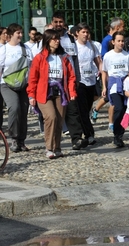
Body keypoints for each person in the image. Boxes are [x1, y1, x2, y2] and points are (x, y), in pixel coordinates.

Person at [27, 29, 77, 158]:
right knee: (51, 117)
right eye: (54, 39)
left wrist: (72, 91)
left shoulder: (64, 57)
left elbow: (71, 76)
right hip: (44, 92)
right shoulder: (40, 57)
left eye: (58, 39)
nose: (57, 41)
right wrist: (31, 95)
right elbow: (33, 78)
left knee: (59, 120)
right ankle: (49, 148)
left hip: (60, 91)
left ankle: (57, 147)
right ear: (48, 40)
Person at [52, 11, 88, 150]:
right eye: (56, 22)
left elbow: (75, 60)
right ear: (52, 22)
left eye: (61, 22)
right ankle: (53, 142)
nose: (58, 24)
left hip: (70, 80)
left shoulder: (71, 39)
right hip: (54, 80)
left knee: (73, 109)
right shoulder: (48, 37)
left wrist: (77, 78)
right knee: (56, 112)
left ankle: (76, 139)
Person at [0, 23, 33, 152]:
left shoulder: (25, 49)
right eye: (18, 33)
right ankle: (13, 137)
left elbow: (31, 66)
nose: (20, 35)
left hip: (23, 84)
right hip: (6, 84)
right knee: (14, 107)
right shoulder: (4, 49)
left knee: (23, 111)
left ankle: (21, 140)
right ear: (11, 34)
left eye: (21, 32)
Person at [102, 31, 129, 147]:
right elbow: (104, 72)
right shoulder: (108, 56)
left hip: (125, 84)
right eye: (118, 41)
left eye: (122, 41)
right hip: (114, 85)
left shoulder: (127, 56)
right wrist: (104, 87)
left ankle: (120, 134)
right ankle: (116, 133)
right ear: (113, 42)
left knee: (125, 109)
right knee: (118, 108)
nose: (121, 43)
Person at [74, 22, 102, 145]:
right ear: (77, 33)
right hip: (79, 81)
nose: (86, 34)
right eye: (83, 32)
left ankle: (83, 132)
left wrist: (101, 70)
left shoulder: (92, 46)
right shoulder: (74, 46)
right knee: (82, 109)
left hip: (91, 80)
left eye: (87, 32)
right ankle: (89, 134)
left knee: (88, 108)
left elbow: (98, 60)